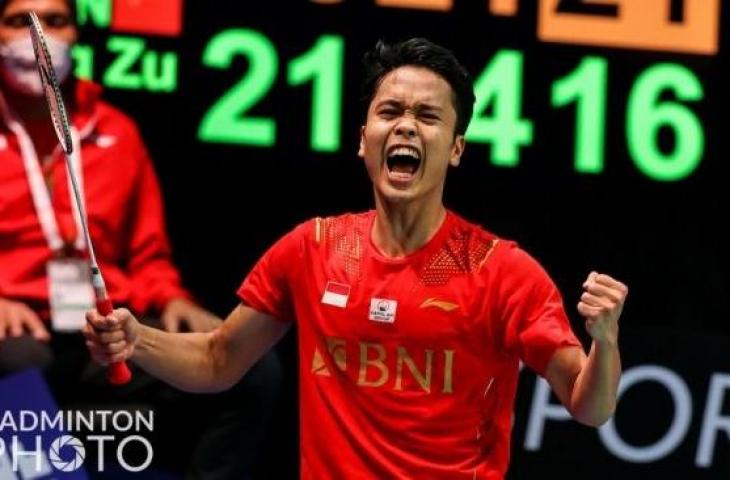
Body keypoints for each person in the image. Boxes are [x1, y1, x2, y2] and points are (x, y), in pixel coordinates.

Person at [85, 38, 628, 479]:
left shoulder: (502, 271)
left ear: (457, 148)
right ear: (363, 140)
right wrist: (138, 339)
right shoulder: (312, 248)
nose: (407, 125)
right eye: (390, 111)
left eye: (429, 116)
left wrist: (604, 342)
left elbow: (590, 406)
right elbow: (217, 361)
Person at [0, 0, 280, 477]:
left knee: (253, 368)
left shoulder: (117, 131)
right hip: (19, 331)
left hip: (105, 327)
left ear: (77, 36)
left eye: (55, 20)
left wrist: (172, 296)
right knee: (19, 362)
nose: (38, 34)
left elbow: (147, 253)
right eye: (17, 21)